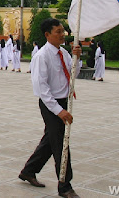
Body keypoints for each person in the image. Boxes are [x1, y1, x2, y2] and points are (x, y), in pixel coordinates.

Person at [19, 18, 81, 198]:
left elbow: (73, 74)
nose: (62, 35)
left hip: (63, 101)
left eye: (63, 31)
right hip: (50, 104)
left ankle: (29, 171)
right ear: (47, 35)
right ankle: (65, 186)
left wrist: (77, 57)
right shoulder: (41, 56)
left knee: (50, 140)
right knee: (60, 144)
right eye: (58, 32)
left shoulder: (64, 53)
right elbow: (42, 89)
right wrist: (58, 111)